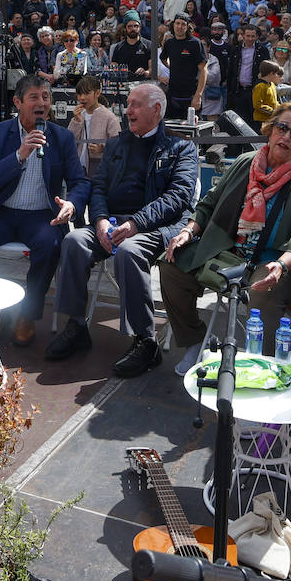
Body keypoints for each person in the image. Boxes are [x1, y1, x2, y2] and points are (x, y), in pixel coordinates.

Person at [161, 101, 291, 367]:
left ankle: (265, 366)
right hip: (229, 250)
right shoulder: (246, 163)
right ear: (270, 129)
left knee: (262, 292)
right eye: (282, 128)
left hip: (274, 261)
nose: (286, 137)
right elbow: (208, 203)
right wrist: (187, 231)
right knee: (172, 264)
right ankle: (195, 341)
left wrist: (283, 263)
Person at [46, 83, 197, 377]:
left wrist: (135, 223)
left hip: (156, 227)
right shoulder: (117, 144)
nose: (128, 111)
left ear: (157, 109)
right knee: (75, 241)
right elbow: (98, 185)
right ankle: (77, 325)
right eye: (128, 104)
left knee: (129, 251)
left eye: (136, 105)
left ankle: (145, 340)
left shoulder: (180, 148)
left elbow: (178, 197)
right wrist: (100, 219)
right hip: (113, 221)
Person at [0, 75, 89, 346]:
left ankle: (27, 315)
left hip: (41, 215)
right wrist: (19, 155)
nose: (42, 103)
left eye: (46, 97)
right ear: (18, 102)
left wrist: (71, 205)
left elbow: (79, 181)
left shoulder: (62, 137)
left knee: (50, 246)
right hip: (1, 212)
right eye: (34, 98)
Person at [68, 75, 120, 178]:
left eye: (87, 93)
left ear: (97, 93)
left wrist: (102, 149)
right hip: (77, 169)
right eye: (79, 94)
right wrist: (76, 121)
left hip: (99, 171)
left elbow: (118, 145)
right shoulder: (79, 115)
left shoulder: (109, 117)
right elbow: (68, 141)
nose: (82, 98)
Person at [159, 14, 206, 119]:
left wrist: (198, 95)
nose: (179, 27)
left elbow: (204, 71)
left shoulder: (195, 43)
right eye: (177, 23)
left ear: (188, 26)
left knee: (192, 131)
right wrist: (173, 67)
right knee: (171, 130)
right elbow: (163, 58)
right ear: (173, 25)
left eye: (183, 24)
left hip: (191, 97)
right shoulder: (169, 43)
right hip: (173, 96)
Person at [227, 24, 271, 122]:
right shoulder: (236, 49)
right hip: (239, 90)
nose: (250, 39)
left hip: (255, 90)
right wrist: (230, 89)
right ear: (242, 36)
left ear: (257, 36)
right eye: (248, 36)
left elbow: (267, 69)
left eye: (253, 36)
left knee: (254, 120)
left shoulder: (262, 50)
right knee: (239, 121)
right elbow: (230, 70)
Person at [252, 60, 283, 124]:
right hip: (261, 120)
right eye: (276, 73)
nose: (277, 76)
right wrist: (272, 111)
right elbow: (258, 105)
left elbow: (275, 101)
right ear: (271, 73)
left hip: (271, 119)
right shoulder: (260, 86)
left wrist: (281, 109)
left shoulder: (272, 85)